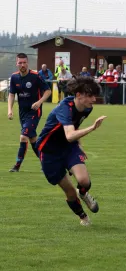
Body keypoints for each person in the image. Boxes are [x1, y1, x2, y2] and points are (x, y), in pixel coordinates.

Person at [35, 77, 107, 226]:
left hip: (68, 147)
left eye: (95, 95)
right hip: (49, 151)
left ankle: (83, 193)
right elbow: (69, 135)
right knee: (70, 191)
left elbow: (74, 128)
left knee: (84, 181)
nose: (94, 99)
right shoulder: (64, 108)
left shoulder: (87, 108)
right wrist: (92, 128)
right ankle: (83, 217)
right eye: (90, 95)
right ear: (79, 95)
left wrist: (79, 144)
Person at [7, 53, 52, 172]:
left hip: (34, 112)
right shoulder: (14, 77)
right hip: (22, 113)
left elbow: (48, 91)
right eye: (20, 62)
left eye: (24, 62)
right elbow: (11, 95)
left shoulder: (36, 76)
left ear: (28, 63)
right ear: (16, 64)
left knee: (23, 137)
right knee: (33, 140)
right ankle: (46, 163)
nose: (22, 65)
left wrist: (39, 102)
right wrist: (10, 110)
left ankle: (17, 166)